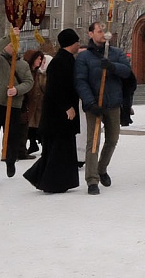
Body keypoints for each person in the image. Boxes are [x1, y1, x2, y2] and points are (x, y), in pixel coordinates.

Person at [74, 21, 132, 195]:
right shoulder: (84, 57)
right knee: (93, 141)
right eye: (99, 31)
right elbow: (80, 80)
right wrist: (90, 102)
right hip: (94, 105)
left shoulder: (116, 53)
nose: (102, 33)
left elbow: (127, 72)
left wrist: (113, 67)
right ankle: (92, 179)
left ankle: (101, 167)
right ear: (91, 34)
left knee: (113, 139)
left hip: (113, 102)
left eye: (104, 31)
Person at [23, 29, 82, 194]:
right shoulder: (60, 62)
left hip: (60, 116)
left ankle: (52, 180)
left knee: (60, 150)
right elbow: (54, 89)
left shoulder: (67, 59)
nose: (79, 43)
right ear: (71, 43)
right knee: (57, 149)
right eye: (77, 41)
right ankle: (52, 182)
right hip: (58, 116)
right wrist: (67, 107)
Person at [0, 30, 34, 187]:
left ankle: (11, 160)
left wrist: (17, 90)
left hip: (14, 105)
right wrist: (8, 37)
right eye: (11, 44)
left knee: (12, 137)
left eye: (16, 44)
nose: (14, 47)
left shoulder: (23, 65)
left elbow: (29, 82)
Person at [17, 49, 47, 159]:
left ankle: (32, 147)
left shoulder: (39, 75)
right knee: (25, 128)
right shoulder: (25, 73)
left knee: (38, 128)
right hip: (26, 105)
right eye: (38, 59)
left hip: (37, 106)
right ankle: (21, 150)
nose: (40, 62)